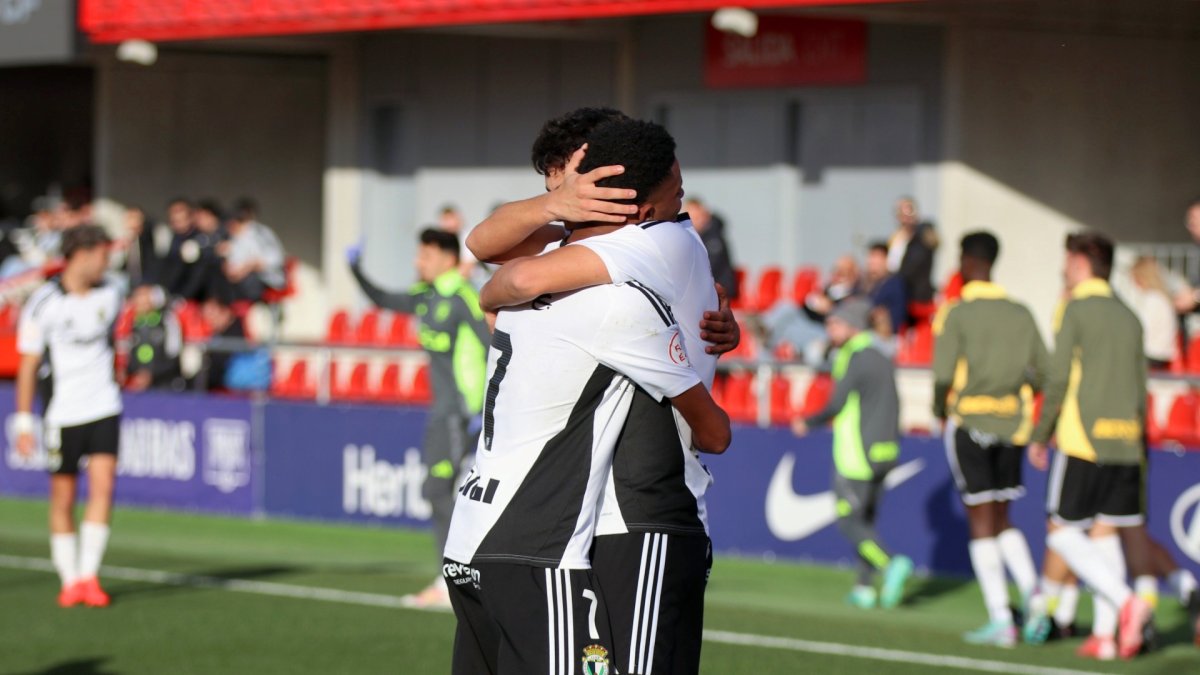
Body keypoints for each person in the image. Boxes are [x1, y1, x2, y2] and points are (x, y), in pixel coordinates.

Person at [442, 116, 731, 675]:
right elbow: (486, 246)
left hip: (643, 508)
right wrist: (553, 210)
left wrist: (494, 290)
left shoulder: (658, 241)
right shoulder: (596, 264)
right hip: (579, 519)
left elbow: (509, 279)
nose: (685, 201)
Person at [1025, 232, 1153, 660]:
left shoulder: (1076, 308)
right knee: (1104, 537)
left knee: (1061, 533)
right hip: (1125, 442)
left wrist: (1041, 433)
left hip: (1084, 440)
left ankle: (1125, 602)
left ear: (1081, 263)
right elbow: (1140, 389)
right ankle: (1107, 636)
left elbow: (1058, 377)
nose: (1064, 269)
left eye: (1067, 261)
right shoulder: (1130, 317)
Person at [348, 228, 490, 609]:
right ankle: (456, 576)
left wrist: (481, 407)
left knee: (442, 492)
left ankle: (454, 580)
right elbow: (383, 298)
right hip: (440, 412)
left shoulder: (463, 297)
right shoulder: (425, 296)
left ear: (446, 257)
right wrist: (355, 270)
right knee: (439, 492)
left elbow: (493, 347)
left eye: (424, 256)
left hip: (460, 413)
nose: (417, 262)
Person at [931, 231, 1046, 646]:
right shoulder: (1021, 312)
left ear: (965, 261)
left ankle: (1002, 618)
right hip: (1012, 426)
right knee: (1002, 519)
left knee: (980, 522)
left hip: (971, 424)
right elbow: (1044, 371)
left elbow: (943, 374)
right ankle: (1035, 595)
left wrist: (939, 410)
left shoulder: (956, 312)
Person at [15, 224, 124, 608]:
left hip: (105, 405)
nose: (107, 264)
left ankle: (89, 576)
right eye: (103, 255)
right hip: (63, 412)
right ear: (82, 254)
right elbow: (28, 365)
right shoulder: (43, 303)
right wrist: (24, 420)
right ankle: (69, 578)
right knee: (63, 497)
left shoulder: (112, 293)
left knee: (104, 487)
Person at [791, 298, 913, 610]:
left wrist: (808, 421)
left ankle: (890, 565)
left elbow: (837, 403)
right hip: (886, 450)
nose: (830, 328)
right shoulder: (881, 354)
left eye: (835, 323)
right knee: (867, 521)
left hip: (856, 453)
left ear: (852, 326)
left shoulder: (854, 355)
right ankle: (864, 588)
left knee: (849, 522)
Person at [221, 198, 286, 303]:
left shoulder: (260, 232)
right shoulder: (234, 238)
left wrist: (250, 266)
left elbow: (276, 258)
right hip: (240, 281)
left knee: (249, 281)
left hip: (265, 280)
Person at [121, 284, 183, 392]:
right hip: (132, 383)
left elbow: (173, 353)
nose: (139, 300)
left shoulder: (167, 320)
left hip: (161, 383)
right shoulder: (128, 321)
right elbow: (122, 349)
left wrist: (151, 373)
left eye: (143, 295)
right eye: (137, 295)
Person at [1126, 256, 1178, 371]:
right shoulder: (1162, 298)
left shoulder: (1153, 299)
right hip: (1160, 355)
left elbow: (1142, 329)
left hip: (1152, 355)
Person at [887, 196, 938, 309]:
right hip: (899, 294)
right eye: (901, 212)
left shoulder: (923, 235)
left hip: (918, 297)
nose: (906, 216)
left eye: (909, 210)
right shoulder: (895, 239)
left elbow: (934, 243)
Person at [685, 197, 737, 302]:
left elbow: (708, 267)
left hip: (719, 289)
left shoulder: (714, 238)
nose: (691, 223)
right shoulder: (697, 236)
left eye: (695, 218)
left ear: (704, 215)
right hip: (706, 288)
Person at [862, 241, 907, 339]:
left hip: (885, 338)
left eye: (877, 258)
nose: (872, 262)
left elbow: (898, 318)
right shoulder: (865, 283)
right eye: (871, 257)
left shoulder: (894, 284)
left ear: (886, 260)